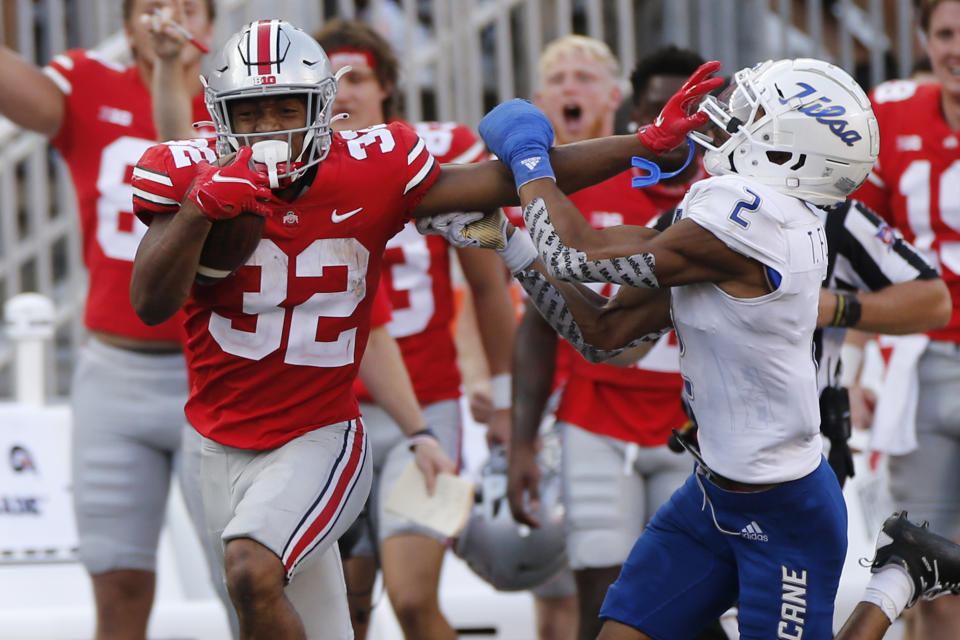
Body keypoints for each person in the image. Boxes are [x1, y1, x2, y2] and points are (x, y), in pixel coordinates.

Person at [128, 18, 719, 638]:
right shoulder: (185, 169)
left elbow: (505, 181)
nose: (272, 129)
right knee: (292, 613)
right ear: (219, 115)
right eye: (251, 113)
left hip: (318, 434)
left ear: (322, 106)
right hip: (217, 441)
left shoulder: (371, 166)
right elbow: (150, 302)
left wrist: (642, 144)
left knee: (252, 570)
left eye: (287, 108)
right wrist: (200, 206)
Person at [472, 57, 880, 640]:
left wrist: (527, 153)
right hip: (710, 495)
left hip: (784, 508)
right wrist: (510, 244)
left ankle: (896, 583)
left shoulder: (754, 223)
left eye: (755, 113)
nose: (731, 118)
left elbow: (573, 253)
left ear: (788, 151)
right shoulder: (730, 210)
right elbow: (605, 335)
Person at [0, 2, 229, 639]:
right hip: (113, 370)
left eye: (191, 7)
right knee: (118, 585)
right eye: (158, 5)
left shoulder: (239, 106)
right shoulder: (87, 83)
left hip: (212, 369)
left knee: (243, 581)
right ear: (127, 27)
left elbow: (185, 157)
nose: (174, 18)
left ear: (211, 26)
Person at [311, 19, 517, 640]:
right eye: (330, 80)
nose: (343, 92)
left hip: (427, 405)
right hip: (324, 412)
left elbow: (487, 285)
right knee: (345, 608)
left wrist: (505, 397)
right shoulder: (296, 160)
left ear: (389, 84)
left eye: (358, 77)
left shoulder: (435, 150)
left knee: (409, 596)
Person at [509, 38, 713, 640]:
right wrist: (522, 442)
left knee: (696, 600)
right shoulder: (586, 188)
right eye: (665, 119)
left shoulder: (733, 200)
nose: (680, 139)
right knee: (603, 595)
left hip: (703, 426)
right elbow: (540, 323)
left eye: (695, 125)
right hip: (597, 416)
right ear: (641, 121)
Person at [851, 1, 960, 637]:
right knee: (926, 568)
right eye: (946, 34)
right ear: (924, 39)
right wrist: (857, 363)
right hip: (919, 363)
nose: (956, 49)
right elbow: (866, 258)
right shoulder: (890, 116)